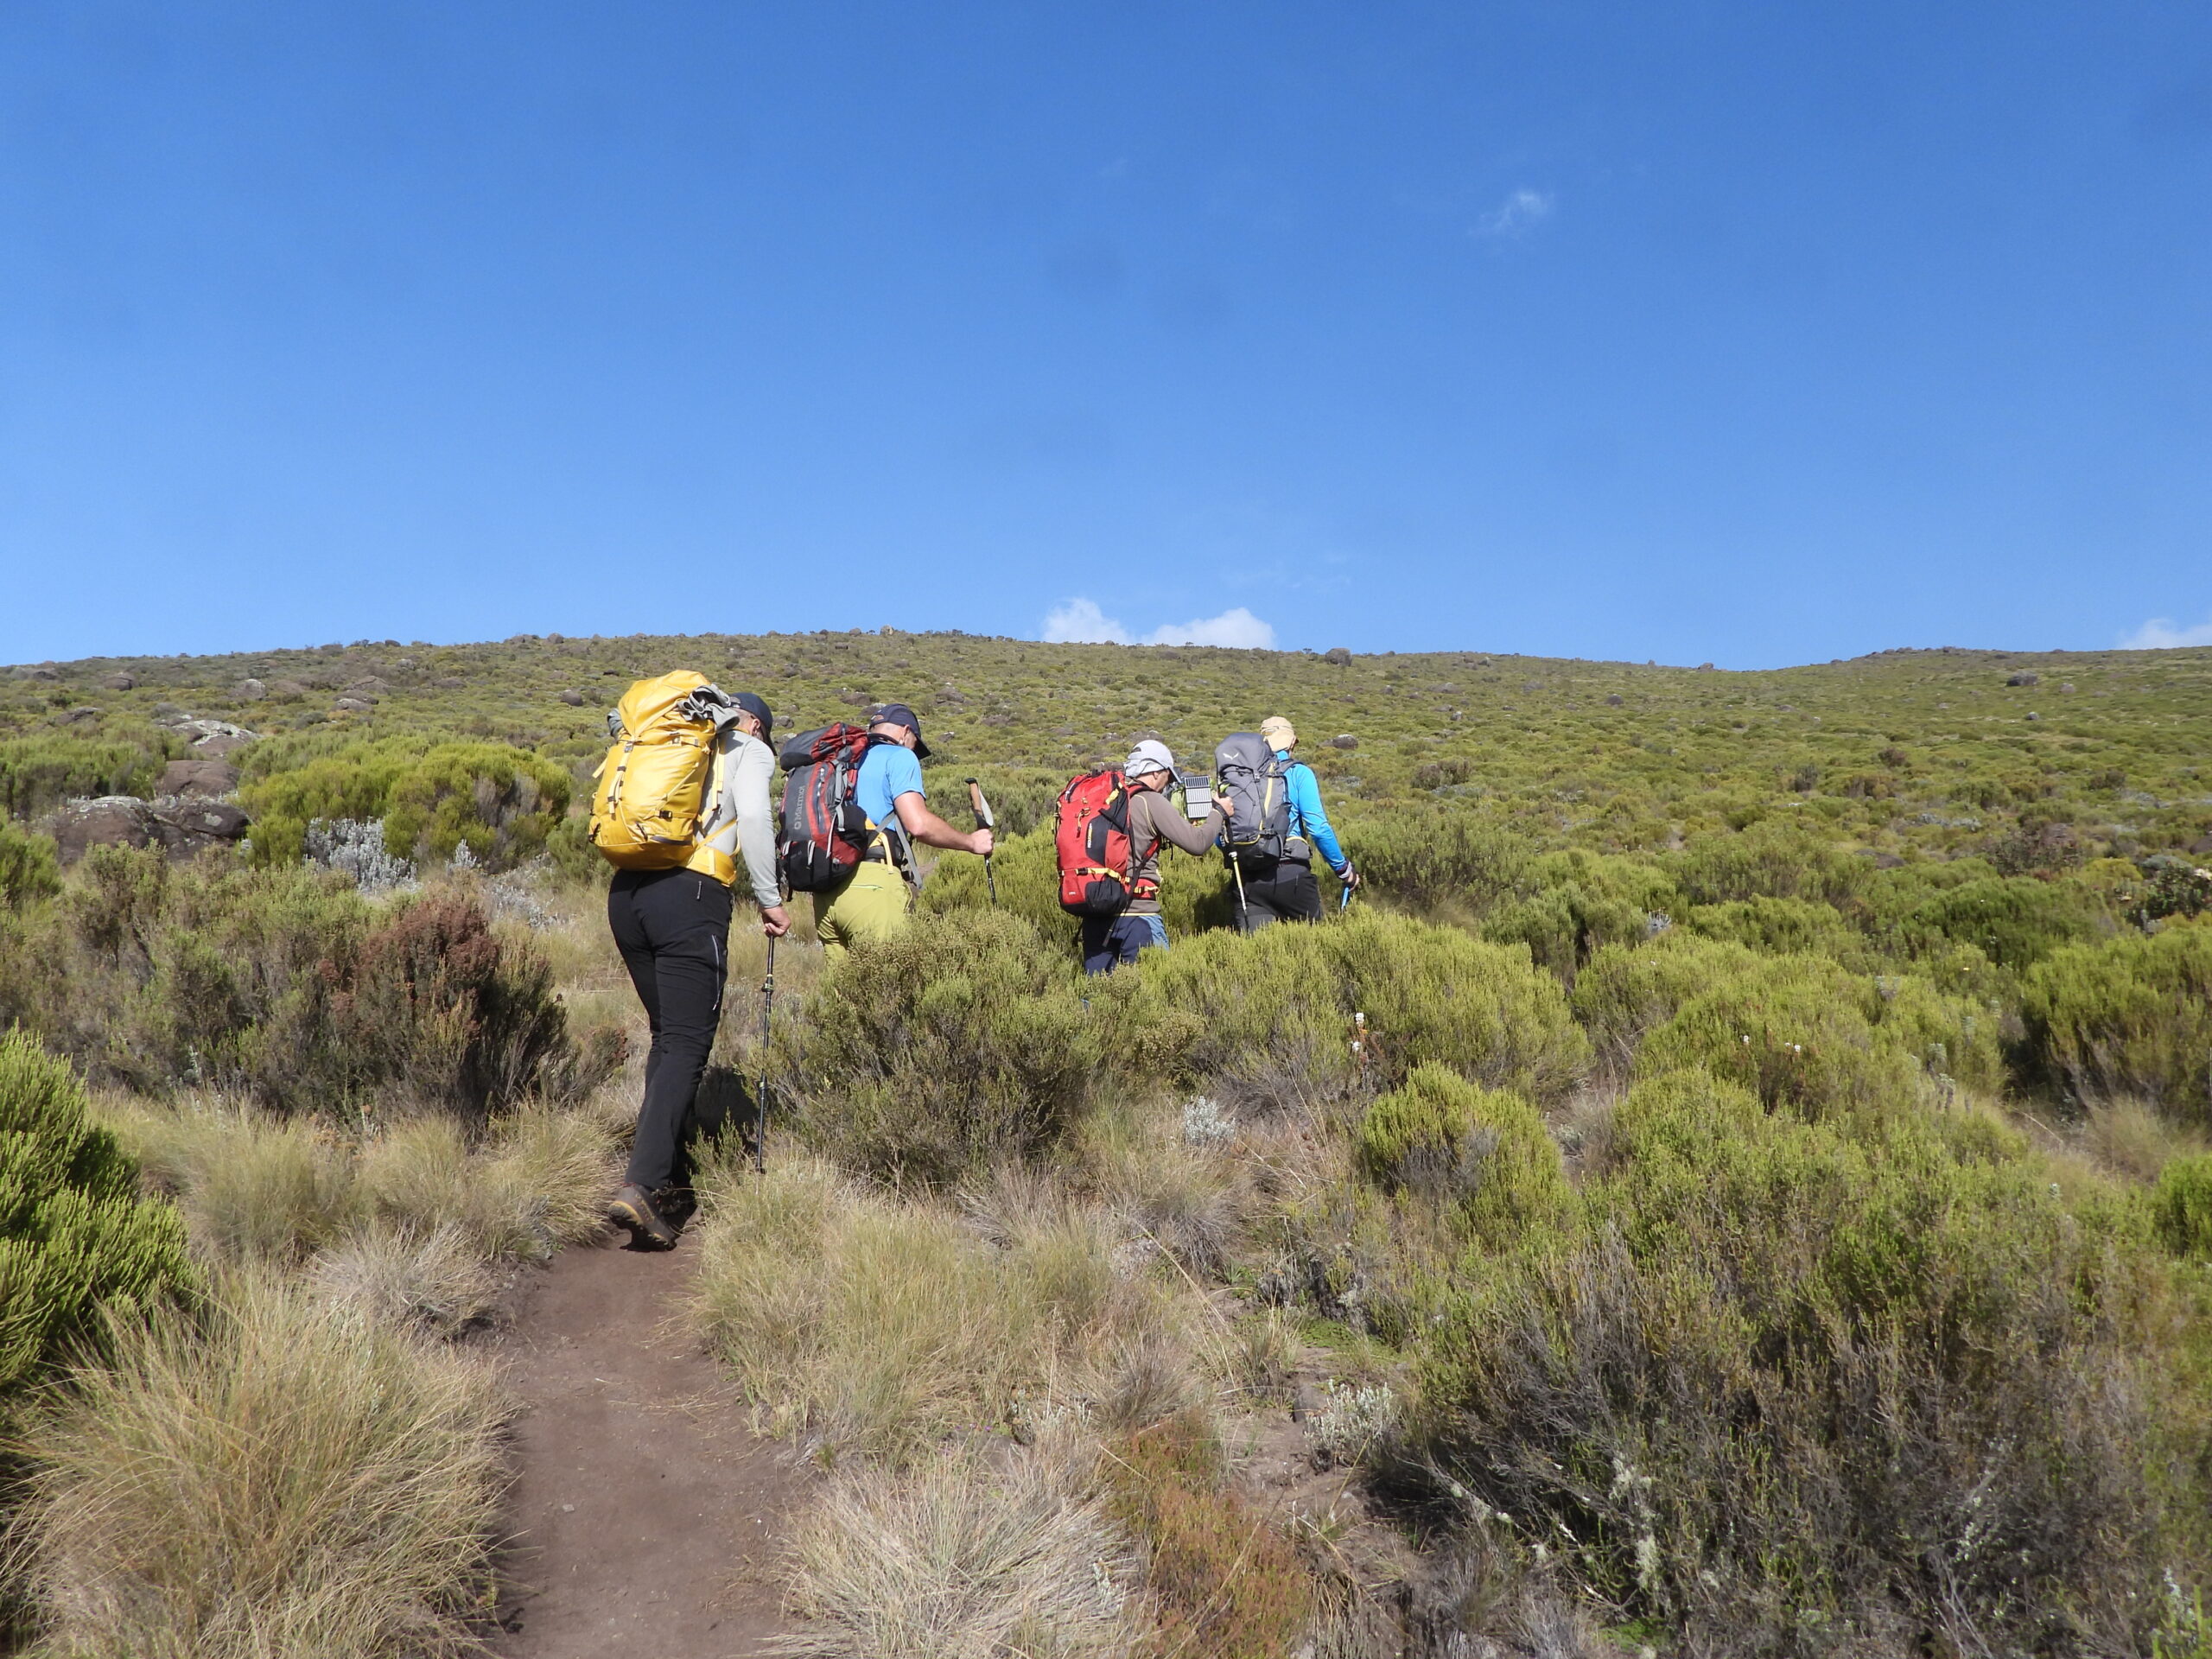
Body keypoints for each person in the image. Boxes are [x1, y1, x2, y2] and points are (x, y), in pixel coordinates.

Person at [606, 690, 789, 1250]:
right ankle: (643, 1184)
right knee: (687, 1042)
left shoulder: (662, 745)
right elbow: (755, 817)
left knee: (668, 1038)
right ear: (751, 722)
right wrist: (768, 896)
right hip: (691, 896)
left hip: (627, 896)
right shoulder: (747, 749)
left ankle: (668, 1180)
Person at [811, 702, 993, 957]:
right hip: (872, 888)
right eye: (915, 746)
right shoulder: (899, 755)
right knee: (889, 988)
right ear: (906, 732)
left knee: (844, 993)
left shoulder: (841, 759)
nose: (914, 752)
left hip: (825, 893)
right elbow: (918, 824)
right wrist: (972, 843)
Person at [1080, 740, 1224, 975]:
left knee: (1096, 1000)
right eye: (1167, 776)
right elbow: (1198, 844)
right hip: (1139, 916)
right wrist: (1218, 813)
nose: (1167, 783)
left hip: (1096, 915)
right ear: (1157, 771)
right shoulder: (1150, 801)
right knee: (1155, 992)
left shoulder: (1104, 799)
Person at [1233, 715, 1359, 931]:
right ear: (1291, 743)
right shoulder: (1299, 773)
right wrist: (1343, 869)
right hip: (1291, 877)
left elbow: (1222, 836)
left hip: (1248, 882)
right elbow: (1318, 829)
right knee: (1311, 953)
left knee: (1258, 958)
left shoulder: (1241, 777)